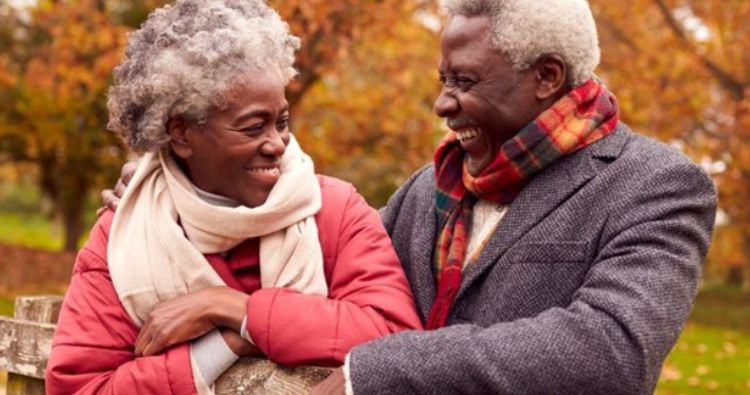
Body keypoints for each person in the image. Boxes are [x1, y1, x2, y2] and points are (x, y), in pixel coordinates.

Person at [105, 0, 717, 394]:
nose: (442, 104)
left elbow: (610, 350)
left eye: (464, 82)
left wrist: (371, 374)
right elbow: (317, 248)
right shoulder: (433, 189)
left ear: (547, 77)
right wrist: (169, 195)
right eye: (441, 81)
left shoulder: (655, 185)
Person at [45, 1, 422, 394]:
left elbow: (393, 337)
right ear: (182, 134)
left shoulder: (335, 210)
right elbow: (80, 386)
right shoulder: (124, 234)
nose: (276, 144)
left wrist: (232, 309)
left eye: (282, 122)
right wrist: (223, 345)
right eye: (253, 127)